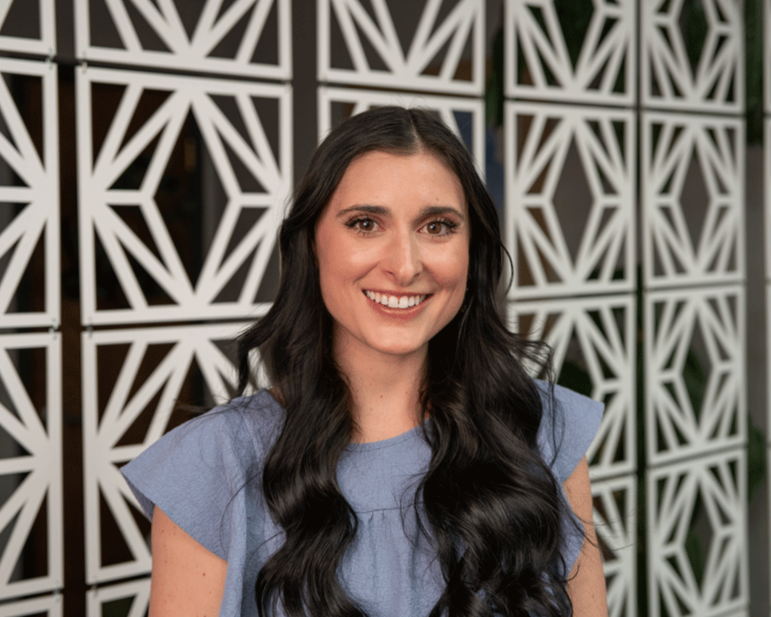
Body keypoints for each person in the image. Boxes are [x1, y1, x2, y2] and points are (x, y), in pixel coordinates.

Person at [122, 106, 607, 617]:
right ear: (312, 244)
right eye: (365, 223)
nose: (404, 265)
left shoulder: (542, 430)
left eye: (437, 226)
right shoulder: (211, 468)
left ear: (472, 249)